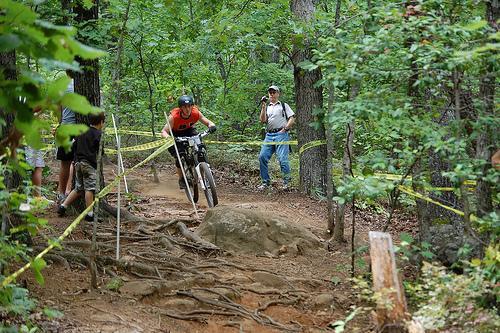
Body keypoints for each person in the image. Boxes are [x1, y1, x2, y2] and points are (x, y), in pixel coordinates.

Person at [57, 112, 105, 222]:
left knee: (78, 188)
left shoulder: (81, 131)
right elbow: (100, 151)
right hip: (89, 165)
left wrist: (76, 157)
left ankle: (63, 206)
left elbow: (73, 144)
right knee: (90, 189)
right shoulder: (98, 134)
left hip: (77, 164)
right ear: (101, 122)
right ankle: (89, 214)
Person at [161, 95, 216, 189]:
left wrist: (212, 125)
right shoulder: (173, 117)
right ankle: (182, 179)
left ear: (192, 106)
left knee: (200, 148)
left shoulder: (195, 112)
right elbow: (164, 131)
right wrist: (169, 139)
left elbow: (207, 121)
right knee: (180, 156)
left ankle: (205, 172)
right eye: (184, 107)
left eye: (189, 106)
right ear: (180, 108)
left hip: (189, 130)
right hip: (174, 134)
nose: (187, 109)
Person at [258, 85, 295, 190]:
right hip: (269, 135)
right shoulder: (267, 106)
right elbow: (262, 120)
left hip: (281, 134)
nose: (272, 94)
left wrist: (286, 129)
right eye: (270, 92)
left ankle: (286, 183)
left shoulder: (283, 105)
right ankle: (265, 182)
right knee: (262, 157)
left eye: (274, 92)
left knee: (283, 159)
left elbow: (292, 118)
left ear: (278, 93)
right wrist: (263, 106)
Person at [55, 70, 76, 204]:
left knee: (65, 162)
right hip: (82, 128)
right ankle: (71, 191)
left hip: (66, 127)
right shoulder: (84, 84)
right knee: (77, 161)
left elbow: (58, 109)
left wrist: (60, 123)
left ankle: (62, 193)